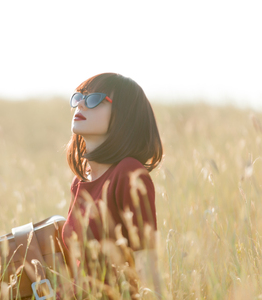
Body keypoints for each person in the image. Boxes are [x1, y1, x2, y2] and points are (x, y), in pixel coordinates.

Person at [61, 73, 163, 298]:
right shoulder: (81, 181)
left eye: (94, 99)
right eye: (78, 97)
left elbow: (147, 263)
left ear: (124, 115)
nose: (79, 104)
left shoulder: (128, 173)